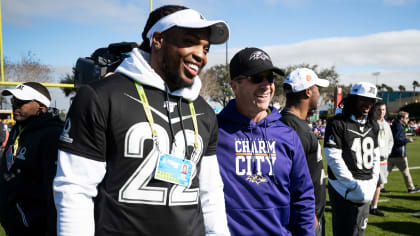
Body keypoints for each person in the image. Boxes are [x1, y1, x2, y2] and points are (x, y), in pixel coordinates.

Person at [53, 5, 231, 236]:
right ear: (158, 39)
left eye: (205, 48)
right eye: (189, 41)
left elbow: (210, 192)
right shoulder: (101, 96)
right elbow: (74, 190)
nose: (201, 55)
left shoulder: (203, 111)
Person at [217, 48, 315, 236]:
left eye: (270, 79)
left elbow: (302, 197)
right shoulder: (215, 132)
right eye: (256, 78)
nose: (266, 85)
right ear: (234, 86)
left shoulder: (288, 136)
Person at [0, 82, 64, 236]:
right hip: (13, 223)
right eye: (14, 101)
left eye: (22, 102)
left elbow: (53, 190)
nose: (16, 105)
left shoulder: (52, 135)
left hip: (35, 227)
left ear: (41, 106)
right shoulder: (17, 129)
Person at [324, 82, 381, 236]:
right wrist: (353, 186)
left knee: (359, 232)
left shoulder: (373, 125)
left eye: (371, 100)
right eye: (363, 99)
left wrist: (372, 182)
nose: (368, 104)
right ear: (353, 99)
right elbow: (333, 158)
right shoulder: (337, 123)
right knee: (344, 232)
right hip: (343, 188)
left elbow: (376, 156)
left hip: (366, 186)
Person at [281, 68, 329, 236]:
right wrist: (310, 218)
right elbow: (288, 180)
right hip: (306, 219)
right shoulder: (291, 127)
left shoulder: (297, 123)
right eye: (317, 89)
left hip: (311, 214)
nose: (319, 94)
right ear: (308, 92)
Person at [369, 101, 393, 216]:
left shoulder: (386, 125)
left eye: (383, 110)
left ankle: (374, 207)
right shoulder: (370, 123)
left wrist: (387, 153)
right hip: (371, 159)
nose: (381, 112)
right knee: (369, 182)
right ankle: (363, 205)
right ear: (374, 110)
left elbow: (390, 141)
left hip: (383, 159)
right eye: (379, 109)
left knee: (379, 183)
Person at [388, 111, 420, 193]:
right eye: (407, 118)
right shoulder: (399, 127)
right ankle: (411, 188)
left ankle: (379, 187)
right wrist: (408, 140)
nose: (408, 119)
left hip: (392, 153)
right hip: (399, 154)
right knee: (406, 172)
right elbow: (398, 140)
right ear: (402, 118)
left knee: (385, 172)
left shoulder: (395, 124)